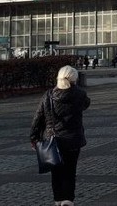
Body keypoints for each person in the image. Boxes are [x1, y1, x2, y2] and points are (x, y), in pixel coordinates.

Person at [30, 65, 91, 206]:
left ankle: (58, 200)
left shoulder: (49, 95)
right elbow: (86, 104)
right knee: (70, 171)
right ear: (74, 79)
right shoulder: (80, 94)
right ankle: (68, 200)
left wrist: (33, 138)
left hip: (53, 139)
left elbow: (38, 117)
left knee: (56, 172)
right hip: (73, 140)